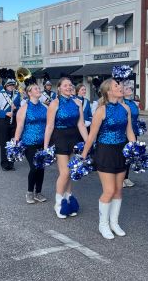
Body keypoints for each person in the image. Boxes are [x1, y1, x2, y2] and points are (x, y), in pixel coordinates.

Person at [81, 79, 136, 239]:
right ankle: (103, 224)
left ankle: (114, 222)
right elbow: (92, 136)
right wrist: (84, 155)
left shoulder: (126, 108)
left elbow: (130, 132)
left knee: (119, 190)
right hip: (105, 152)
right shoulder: (101, 110)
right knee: (109, 190)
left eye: (120, 86)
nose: (120, 88)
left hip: (122, 151)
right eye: (116, 86)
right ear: (108, 91)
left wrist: (135, 148)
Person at [44, 77, 88, 219]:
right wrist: (45, 146)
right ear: (59, 88)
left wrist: (88, 142)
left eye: (70, 85)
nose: (69, 87)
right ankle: (58, 204)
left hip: (74, 138)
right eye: (65, 85)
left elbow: (81, 124)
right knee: (65, 172)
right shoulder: (54, 104)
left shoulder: (78, 102)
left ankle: (68, 201)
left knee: (71, 171)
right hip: (60, 138)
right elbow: (49, 126)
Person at [14, 83, 48, 204]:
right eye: (36, 89)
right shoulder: (24, 108)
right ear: (29, 93)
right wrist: (15, 143)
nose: (39, 90)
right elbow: (20, 126)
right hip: (29, 143)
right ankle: (29, 192)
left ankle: (38, 192)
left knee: (41, 168)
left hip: (43, 143)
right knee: (34, 167)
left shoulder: (45, 107)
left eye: (39, 88)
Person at [0, 78, 21, 171]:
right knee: (5, 143)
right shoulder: (1, 95)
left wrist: (16, 108)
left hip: (14, 121)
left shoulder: (17, 95)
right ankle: (4, 164)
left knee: (12, 143)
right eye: (9, 85)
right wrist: (5, 113)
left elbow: (20, 108)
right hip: (4, 121)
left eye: (12, 85)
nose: (11, 87)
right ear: (5, 86)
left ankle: (11, 163)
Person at [122, 81, 139, 188]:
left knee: (130, 155)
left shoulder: (133, 103)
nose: (130, 90)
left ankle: (126, 177)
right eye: (127, 88)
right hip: (124, 132)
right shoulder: (122, 103)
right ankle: (121, 178)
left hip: (133, 132)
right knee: (123, 155)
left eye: (131, 88)